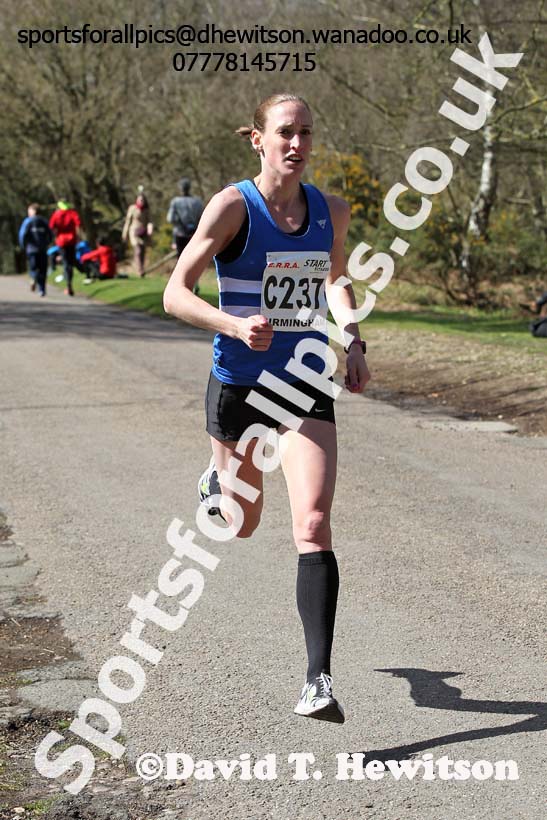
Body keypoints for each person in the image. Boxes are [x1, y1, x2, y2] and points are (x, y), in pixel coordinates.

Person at [163, 93, 370, 724]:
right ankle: (217, 478)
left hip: (303, 381)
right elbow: (175, 293)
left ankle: (318, 681)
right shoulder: (233, 207)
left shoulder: (331, 211)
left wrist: (353, 338)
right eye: (285, 132)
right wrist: (232, 324)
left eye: (306, 132)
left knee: (313, 523)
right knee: (242, 522)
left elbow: (336, 279)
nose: (297, 143)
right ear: (259, 139)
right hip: (239, 386)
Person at [18, 204, 52, 297]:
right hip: (42, 249)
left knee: (33, 267)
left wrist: (23, 246)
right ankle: (42, 290)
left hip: (31, 249)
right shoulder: (44, 221)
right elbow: (50, 234)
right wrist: (47, 243)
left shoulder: (28, 221)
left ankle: (33, 278)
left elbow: (22, 235)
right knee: (42, 270)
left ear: (33, 211)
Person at [49, 200, 81, 296]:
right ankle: (69, 283)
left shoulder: (56, 214)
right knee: (70, 263)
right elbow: (78, 225)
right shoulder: (73, 213)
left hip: (61, 242)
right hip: (72, 241)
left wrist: (55, 237)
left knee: (66, 263)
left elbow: (51, 227)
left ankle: (68, 284)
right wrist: (78, 237)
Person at [166, 177, 204, 256]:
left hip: (180, 234)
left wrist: (180, 224)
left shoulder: (175, 202)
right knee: (193, 257)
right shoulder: (197, 202)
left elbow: (170, 218)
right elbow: (202, 218)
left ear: (180, 188)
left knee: (181, 258)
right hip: (194, 234)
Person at [122, 190, 153, 277]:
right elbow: (128, 222)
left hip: (143, 232)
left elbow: (150, 221)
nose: (141, 201)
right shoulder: (132, 208)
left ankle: (141, 268)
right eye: (140, 200)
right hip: (134, 231)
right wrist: (125, 233)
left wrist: (150, 229)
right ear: (137, 200)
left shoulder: (146, 210)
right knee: (138, 250)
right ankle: (140, 270)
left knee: (142, 251)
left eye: (143, 200)